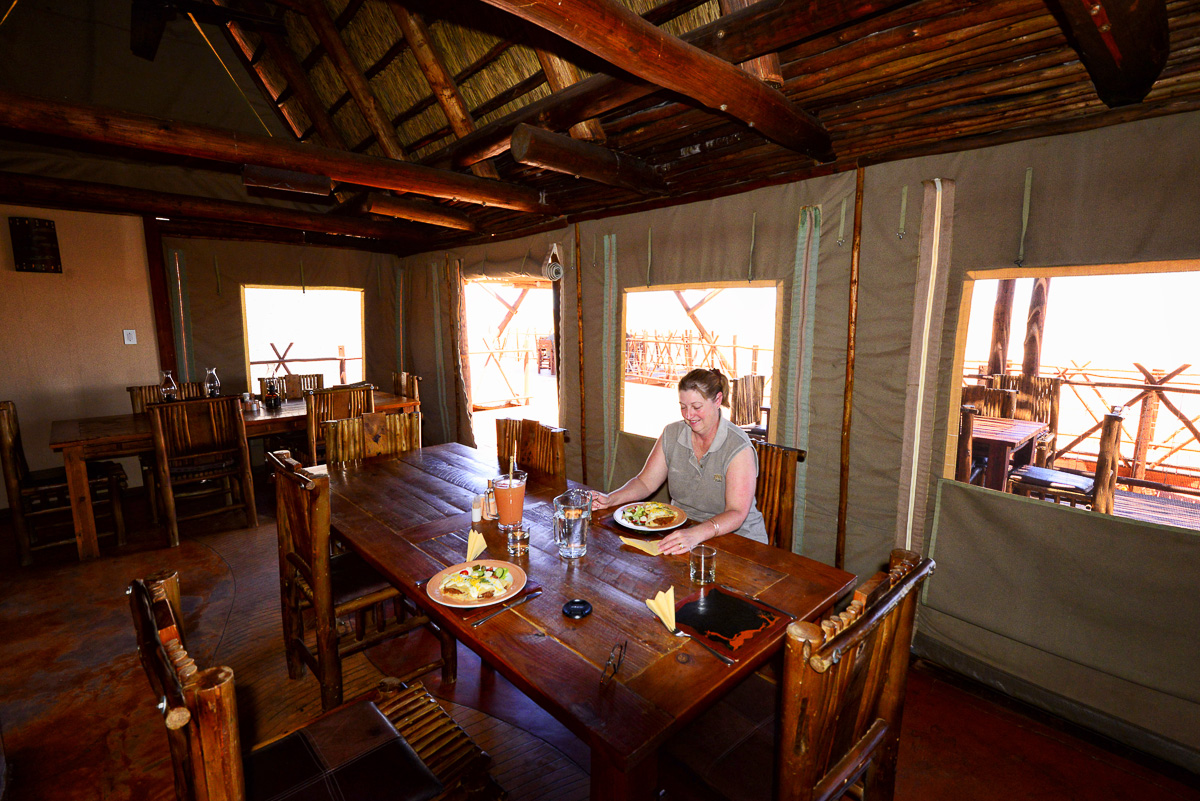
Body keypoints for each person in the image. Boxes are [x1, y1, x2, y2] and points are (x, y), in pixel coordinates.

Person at [592, 368, 768, 555]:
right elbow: (645, 482)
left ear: (717, 400)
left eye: (696, 407)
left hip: (740, 541)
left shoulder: (738, 446)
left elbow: (736, 512)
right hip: (685, 533)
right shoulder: (672, 433)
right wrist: (611, 498)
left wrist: (695, 534)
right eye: (683, 406)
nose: (688, 415)